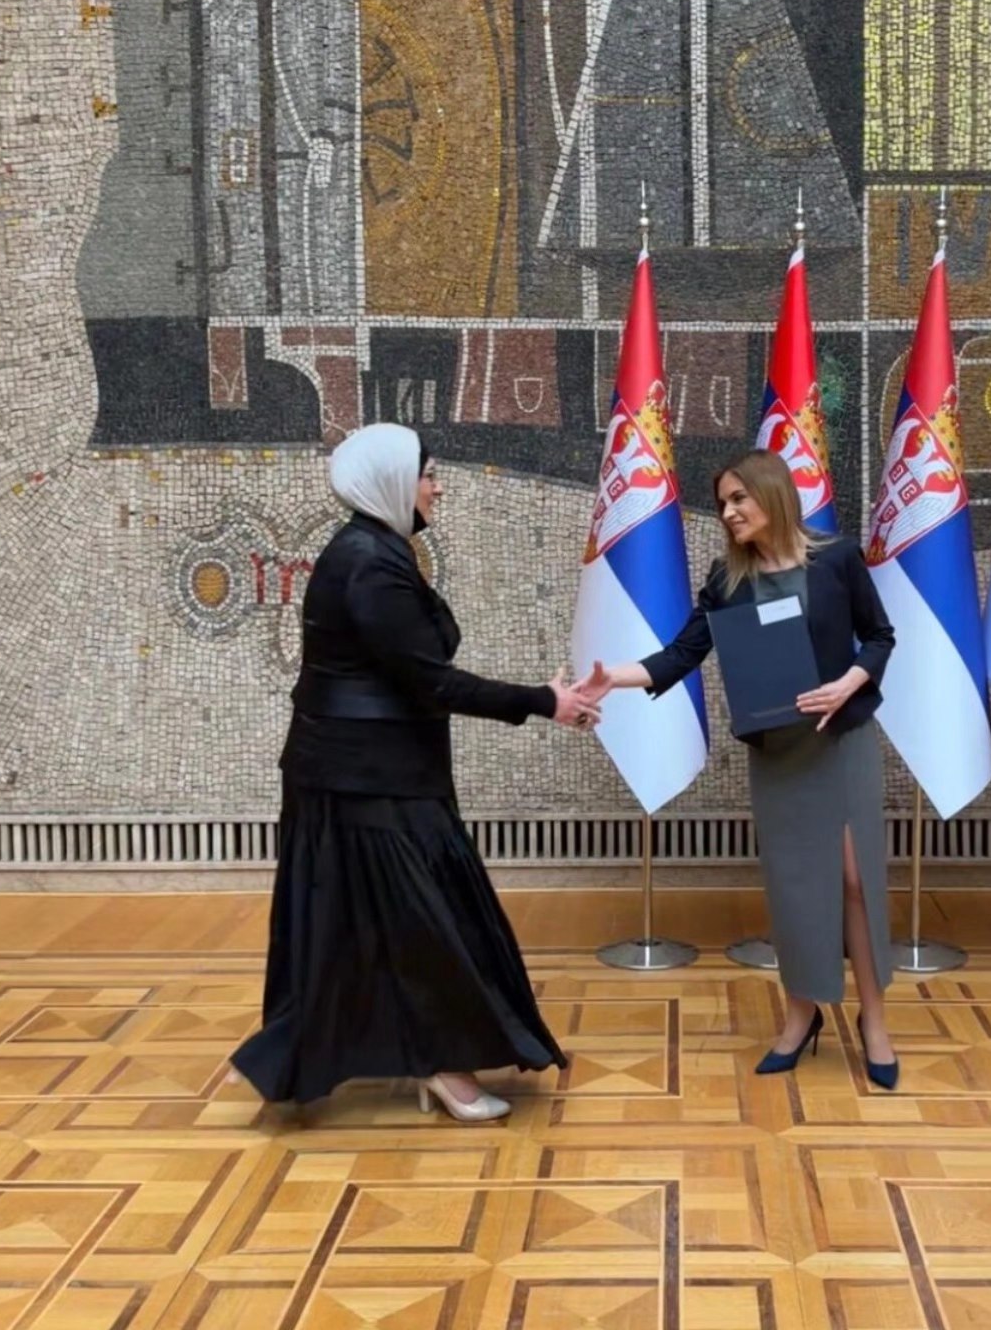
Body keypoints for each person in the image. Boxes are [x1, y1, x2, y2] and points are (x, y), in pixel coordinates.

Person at [231, 423, 601, 1119]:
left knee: (379, 922)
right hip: (363, 778)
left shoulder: (375, 550)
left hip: (366, 771)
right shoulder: (368, 563)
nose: (437, 487)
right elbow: (433, 681)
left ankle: (404, 1055)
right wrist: (543, 702)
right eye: (428, 474)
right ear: (393, 482)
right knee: (421, 922)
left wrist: (540, 700)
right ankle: (439, 1064)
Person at [576, 448, 900, 1088]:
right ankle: (801, 1014)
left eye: (737, 499)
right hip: (780, 754)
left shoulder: (837, 558)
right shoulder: (727, 580)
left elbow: (880, 636)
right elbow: (679, 656)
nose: (727, 512)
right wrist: (612, 677)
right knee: (795, 887)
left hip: (842, 742)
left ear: (772, 493)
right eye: (722, 503)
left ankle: (875, 1019)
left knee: (855, 882)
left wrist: (848, 683)